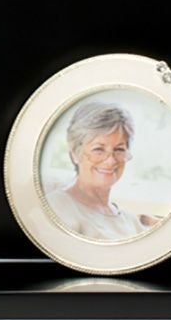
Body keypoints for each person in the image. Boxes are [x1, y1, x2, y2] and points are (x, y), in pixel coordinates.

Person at [45, 102, 150, 240]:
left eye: (119, 149)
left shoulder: (131, 221)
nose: (110, 160)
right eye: (98, 149)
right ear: (75, 153)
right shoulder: (55, 208)